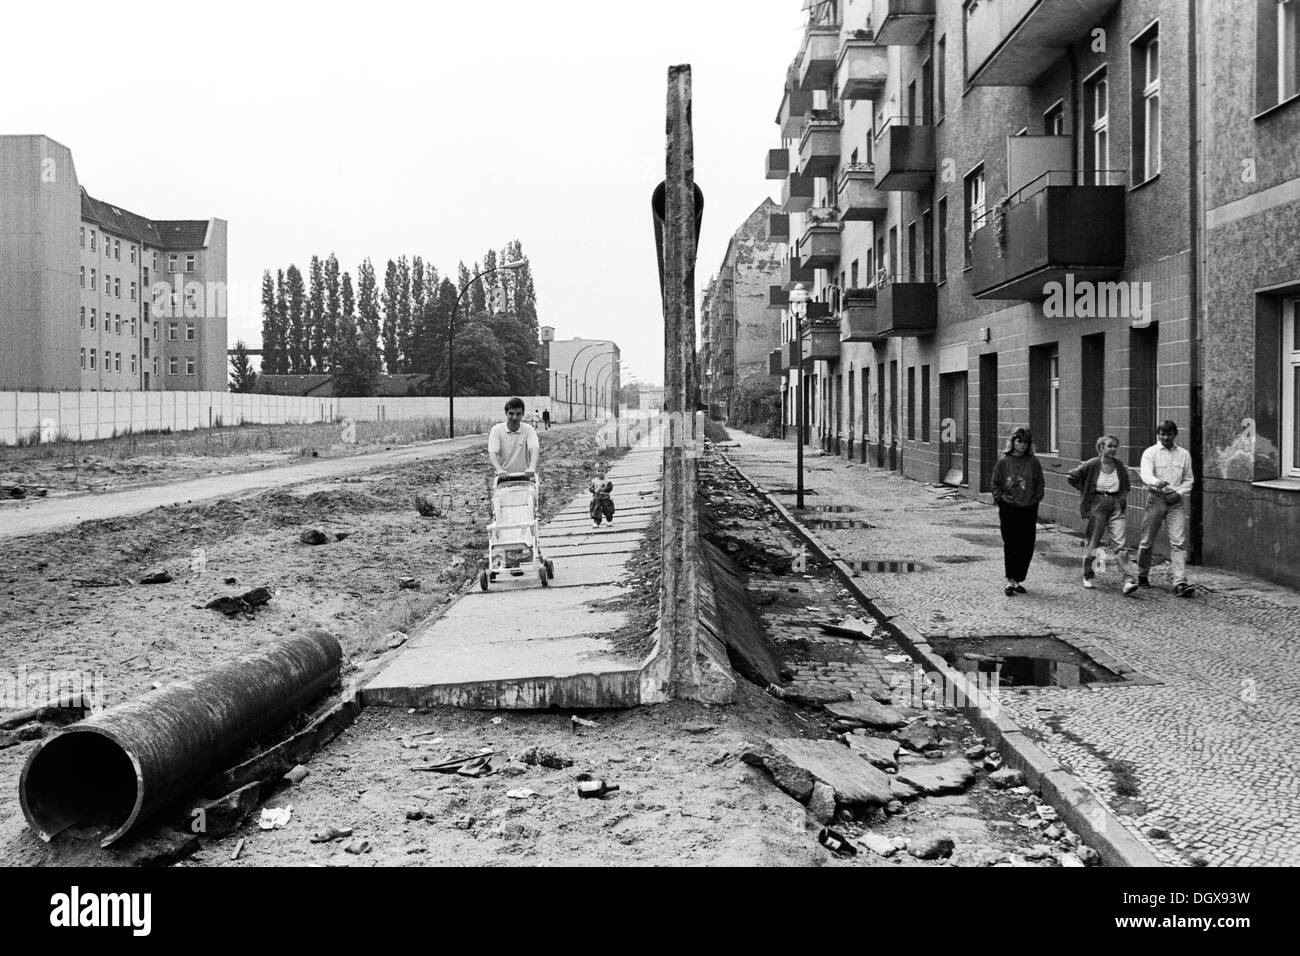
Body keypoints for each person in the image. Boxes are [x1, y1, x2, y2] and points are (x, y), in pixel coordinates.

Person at [1068, 435, 1139, 595]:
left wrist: (1120, 499)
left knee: (1120, 543)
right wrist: (1087, 491)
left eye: (1115, 446)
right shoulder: (1092, 464)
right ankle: (1089, 574)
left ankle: (1128, 580)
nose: (1113, 449)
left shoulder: (1119, 466)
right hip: (1097, 504)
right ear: (1101, 448)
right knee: (1094, 542)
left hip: (1115, 505)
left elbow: (1126, 486)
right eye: (1109, 446)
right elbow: (1072, 477)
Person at [1137, 420, 1195, 596]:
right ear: (1158, 434)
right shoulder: (1150, 452)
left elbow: (1189, 480)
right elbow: (1145, 474)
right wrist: (1157, 482)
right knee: (1147, 539)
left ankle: (1180, 582)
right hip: (1156, 498)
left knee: (1178, 541)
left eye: (1169, 434)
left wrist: (1180, 492)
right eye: (1162, 434)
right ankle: (1142, 573)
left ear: (1175, 434)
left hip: (1175, 502)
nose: (1166, 438)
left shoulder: (1184, 454)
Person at [991, 427, 1045, 596]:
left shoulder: (1033, 462)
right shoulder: (1004, 461)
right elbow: (995, 482)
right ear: (1013, 442)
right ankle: (1010, 580)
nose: (1022, 445)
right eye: (1019, 441)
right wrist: (1000, 499)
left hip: (1028, 507)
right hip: (1009, 507)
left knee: (1026, 544)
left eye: (1025, 442)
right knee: (1011, 543)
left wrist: (1036, 499)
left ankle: (1018, 579)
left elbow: (1039, 482)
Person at [488, 397, 539, 496]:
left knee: (526, 502)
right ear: (506, 413)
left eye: (518, 414)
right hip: (504, 476)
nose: (515, 417)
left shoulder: (528, 429)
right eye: (511, 413)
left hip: (523, 475)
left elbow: (534, 448)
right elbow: (493, 452)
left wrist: (532, 467)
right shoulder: (497, 430)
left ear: (522, 414)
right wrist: (499, 469)